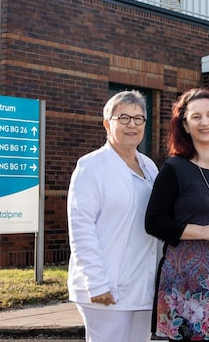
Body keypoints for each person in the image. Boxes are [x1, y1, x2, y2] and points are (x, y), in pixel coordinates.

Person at [145, 88, 209, 341]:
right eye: (196, 117)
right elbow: (154, 222)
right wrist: (202, 231)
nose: (205, 122)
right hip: (186, 288)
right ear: (185, 124)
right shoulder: (174, 169)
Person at [66, 90, 160, 342]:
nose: (132, 124)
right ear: (108, 124)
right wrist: (96, 283)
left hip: (141, 287)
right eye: (124, 118)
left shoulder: (149, 166)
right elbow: (81, 228)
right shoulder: (91, 166)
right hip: (107, 287)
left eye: (139, 118)